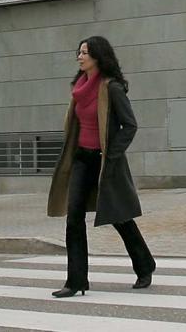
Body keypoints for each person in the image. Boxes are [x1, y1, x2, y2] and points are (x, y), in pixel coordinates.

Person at [46, 36, 155, 297]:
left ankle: (144, 265)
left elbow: (130, 125)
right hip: (82, 159)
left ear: (97, 56)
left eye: (84, 53)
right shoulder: (79, 88)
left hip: (106, 161)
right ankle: (76, 281)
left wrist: (112, 153)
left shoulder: (112, 88)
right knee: (74, 217)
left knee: (118, 217)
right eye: (79, 52)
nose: (79, 57)